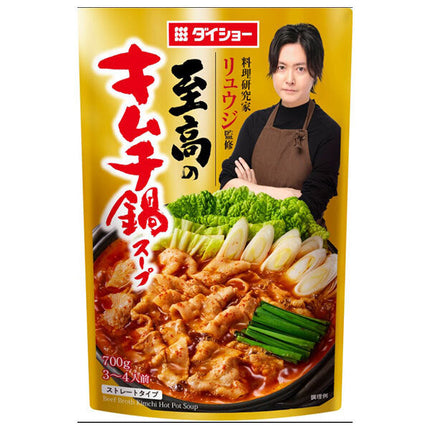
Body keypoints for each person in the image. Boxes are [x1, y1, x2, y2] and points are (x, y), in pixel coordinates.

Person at [219, 23, 340, 222]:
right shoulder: (254, 123)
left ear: (315, 71)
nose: (289, 79)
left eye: (300, 69)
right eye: (281, 67)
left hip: (302, 239)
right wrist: (289, 194)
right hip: (250, 238)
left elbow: (309, 207)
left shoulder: (329, 131)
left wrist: (249, 189)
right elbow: (226, 184)